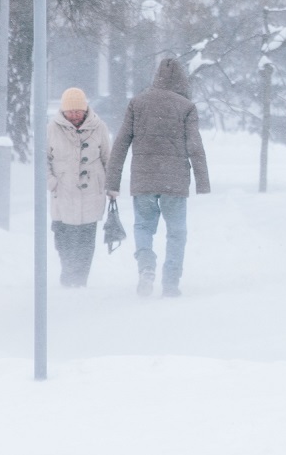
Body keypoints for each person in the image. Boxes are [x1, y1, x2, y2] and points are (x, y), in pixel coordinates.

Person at [106, 58, 210, 298]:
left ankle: (146, 265)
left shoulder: (137, 103)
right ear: (181, 81)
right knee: (176, 232)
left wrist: (112, 182)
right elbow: (195, 146)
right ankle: (171, 282)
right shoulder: (186, 107)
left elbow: (121, 143)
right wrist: (202, 182)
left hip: (143, 180)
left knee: (143, 226)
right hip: (174, 182)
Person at [47, 87, 112, 287]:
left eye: (78, 111)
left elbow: (108, 159)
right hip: (63, 193)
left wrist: (111, 187)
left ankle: (80, 279)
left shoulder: (99, 127)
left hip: (92, 192)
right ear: (63, 111)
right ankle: (68, 276)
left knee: (86, 240)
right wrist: (52, 182)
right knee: (63, 239)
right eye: (70, 111)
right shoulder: (51, 128)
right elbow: (43, 160)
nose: (74, 115)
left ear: (85, 110)